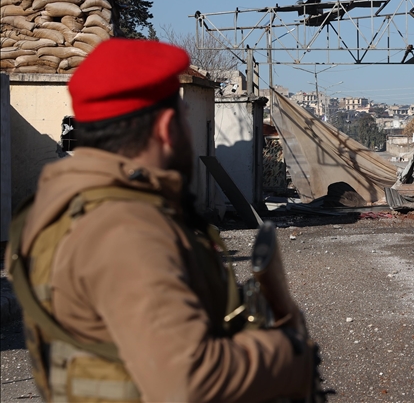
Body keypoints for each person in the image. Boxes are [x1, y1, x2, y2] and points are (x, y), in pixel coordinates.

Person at [6, 38, 314, 402]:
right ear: (168, 128)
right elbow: (188, 381)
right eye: (185, 120)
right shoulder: (124, 228)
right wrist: (288, 355)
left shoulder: (59, 204)